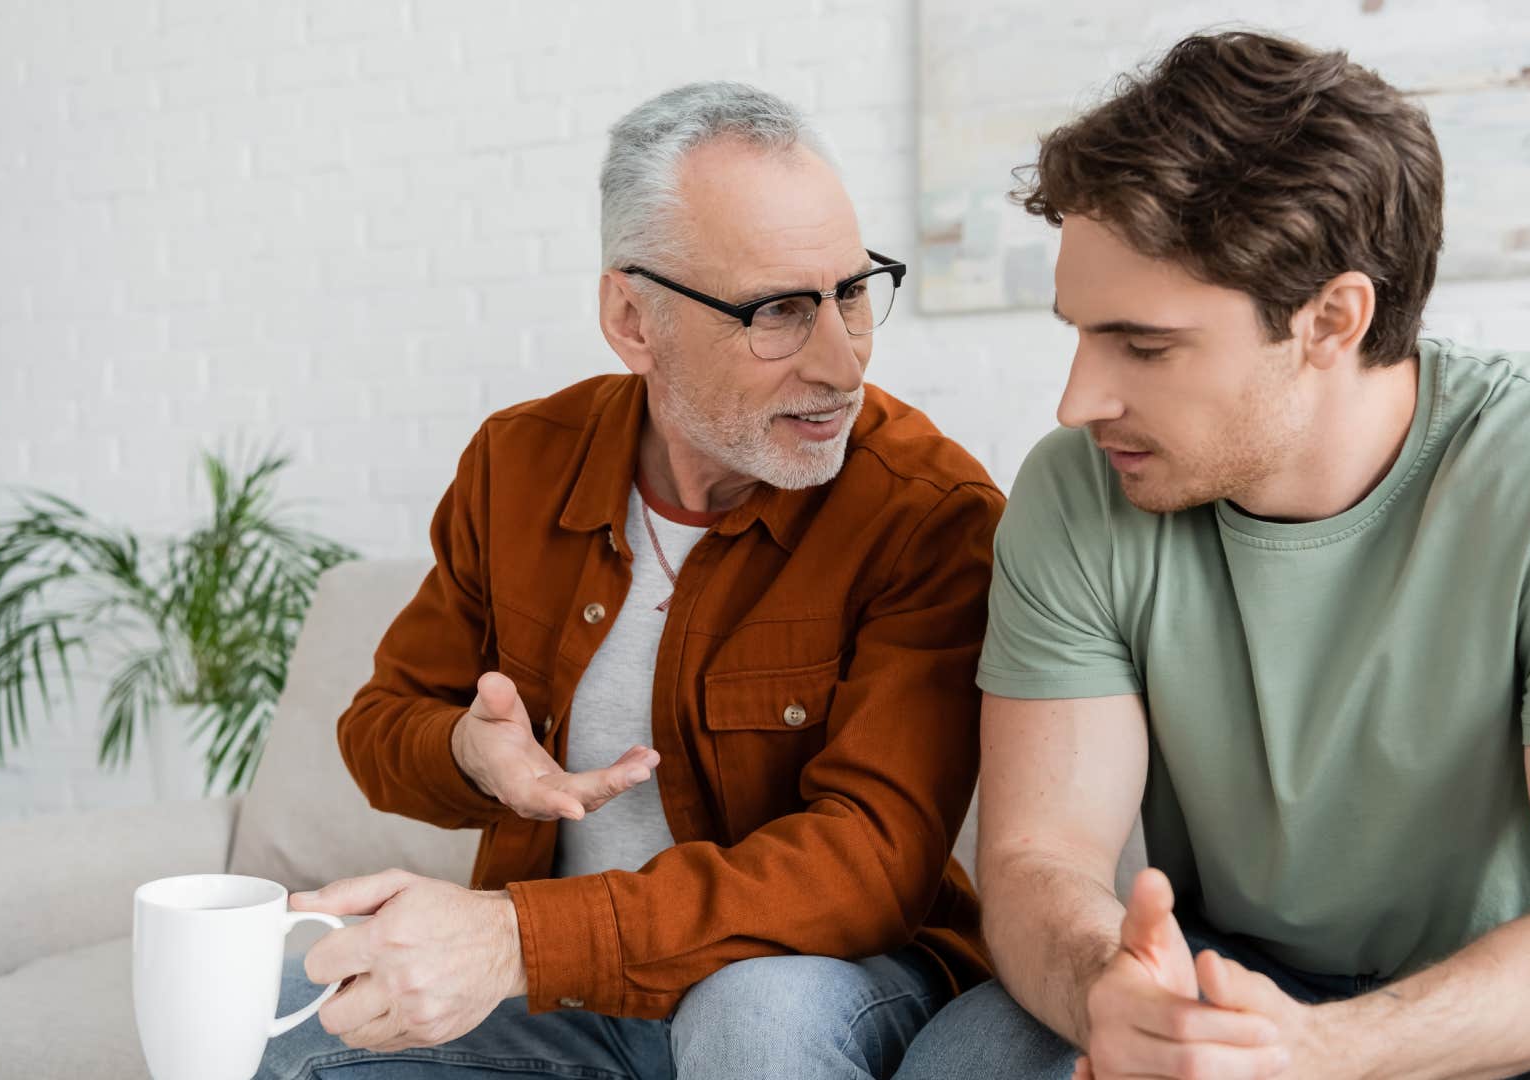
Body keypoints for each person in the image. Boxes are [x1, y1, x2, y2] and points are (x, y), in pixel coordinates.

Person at [894, 30, 1530, 1080]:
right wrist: (1108, 990)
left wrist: (1322, 1053)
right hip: (1231, 974)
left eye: (1144, 346)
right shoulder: (1077, 490)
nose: (1078, 402)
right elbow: (1038, 859)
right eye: (1079, 333)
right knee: (971, 1057)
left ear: (1332, 319)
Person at [253, 81, 1002, 1080]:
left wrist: (521, 938)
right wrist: (472, 758)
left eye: (853, 293)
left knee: (754, 1016)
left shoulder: (926, 509)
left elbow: (870, 862)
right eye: (779, 310)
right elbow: (382, 723)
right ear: (633, 318)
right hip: (568, 997)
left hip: (819, 977)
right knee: (274, 1014)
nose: (840, 360)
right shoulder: (518, 464)